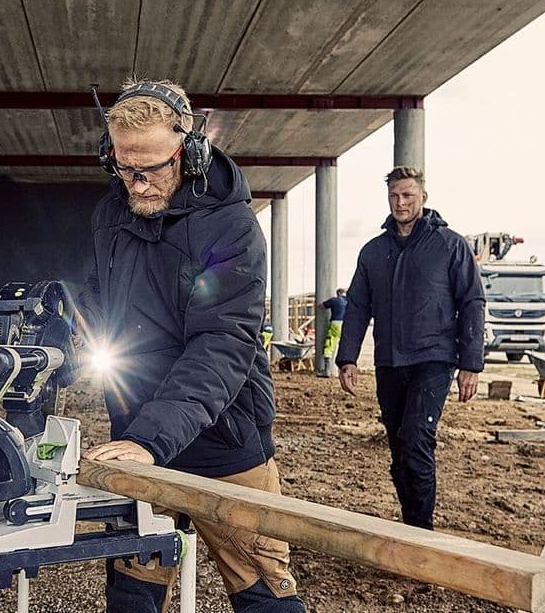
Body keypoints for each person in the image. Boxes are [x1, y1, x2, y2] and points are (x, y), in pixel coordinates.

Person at [78, 79, 305, 613]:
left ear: (190, 150)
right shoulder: (111, 215)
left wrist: (151, 439)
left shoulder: (232, 227)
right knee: (132, 594)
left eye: (151, 169)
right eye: (123, 167)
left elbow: (222, 343)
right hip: (137, 439)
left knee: (262, 591)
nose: (137, 185)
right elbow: (96, 304)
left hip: (223, 440)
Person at [334, 166, 484, 530]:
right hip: (389, 362)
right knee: (400, 449)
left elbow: (472, 302)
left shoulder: (449, 245)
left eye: (408, 195)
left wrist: (471, 364)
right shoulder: (373, 252)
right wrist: (347, 358)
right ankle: (411, 523)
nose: (400, 203)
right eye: (394, 196)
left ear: (423, 198)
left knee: (416, 440)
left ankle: (421, 531)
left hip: (433, 360)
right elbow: (358, 306)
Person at [317, 288, 347, 377]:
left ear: (338, 293)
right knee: (343, 346)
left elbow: (321, 306)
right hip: (345, 324)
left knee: (329, 346)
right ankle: (341, 371)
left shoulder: (335, 300)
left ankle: (327, 371)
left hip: (335, 324)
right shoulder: (348, 302)